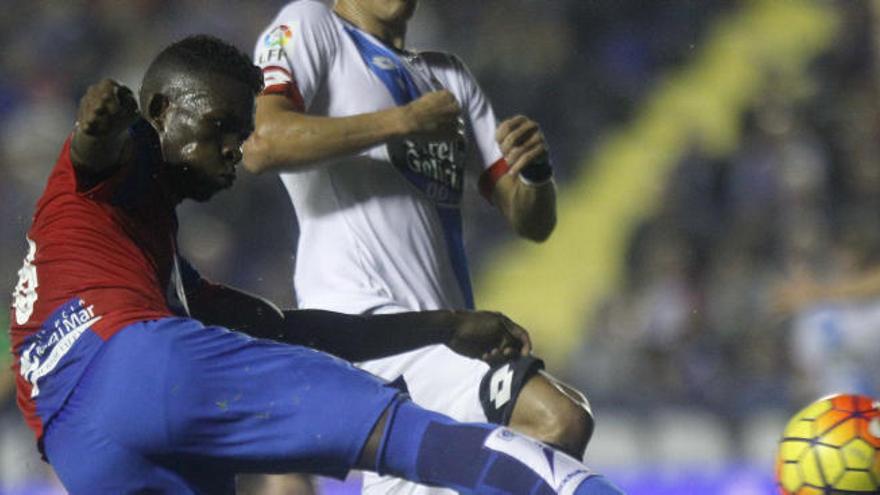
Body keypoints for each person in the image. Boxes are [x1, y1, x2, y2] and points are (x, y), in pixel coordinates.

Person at [8, 35, 623, 494]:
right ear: (162, 110)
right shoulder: (122, 161)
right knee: (412, 438)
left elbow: (291, 328)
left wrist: (447, 326)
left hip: (81, 449)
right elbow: (95, 153)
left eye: (243, 132)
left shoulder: (142, 267)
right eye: (222, 126)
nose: (237, 149)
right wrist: (98, 126)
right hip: (138, 364)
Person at [245, 1, 593, 493]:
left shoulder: (448, 76)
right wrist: (401, 121)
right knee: (558, 419)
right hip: (365, 325)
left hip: (450, 338)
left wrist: (534, 172)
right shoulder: (311, 25)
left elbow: (531, 220)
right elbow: (262, 142)